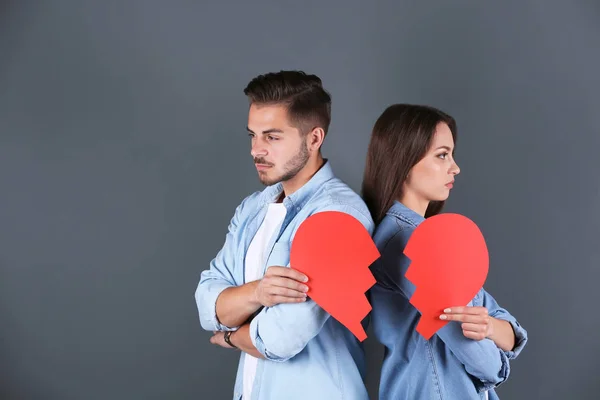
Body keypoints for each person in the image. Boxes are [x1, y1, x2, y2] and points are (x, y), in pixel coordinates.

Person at [195, 70, 374, 400]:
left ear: (314, 139)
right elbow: (208, 303)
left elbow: (279, 339)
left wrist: (231, 336)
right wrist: (259, 293)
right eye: (253, 135)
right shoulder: (252, 209)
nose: (256, 150)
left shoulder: (339, 217)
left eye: (272, 137)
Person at [361, 104, 528, 399]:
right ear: (404, 160)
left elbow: (504, 325)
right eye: (442, 155)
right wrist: (496, 343)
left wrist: (489, 325)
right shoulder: (408, 244)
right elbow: (487, 365)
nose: (455, 167)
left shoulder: (420, 237)